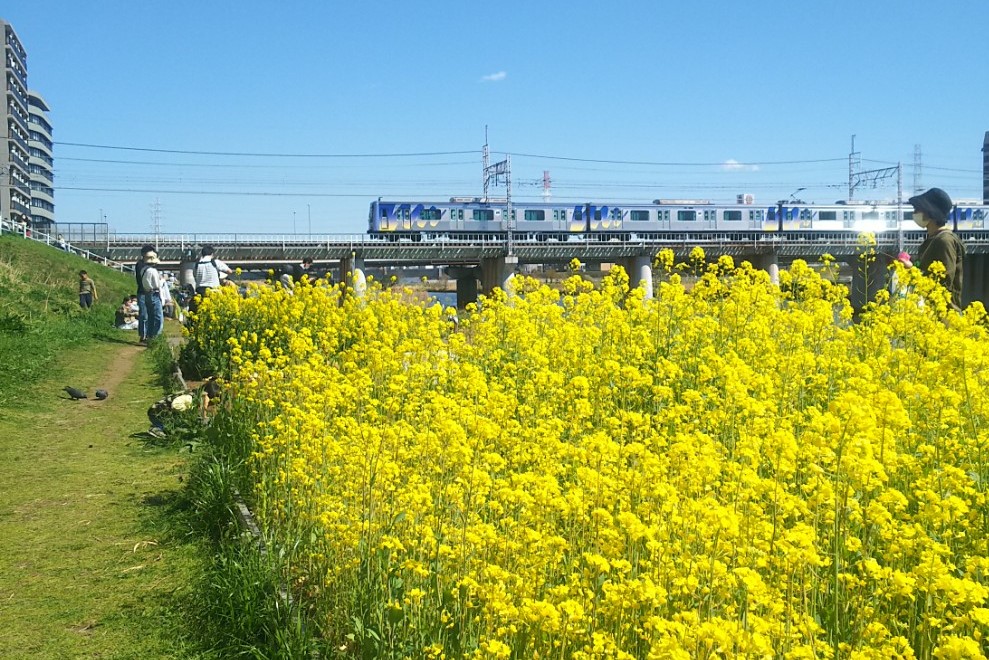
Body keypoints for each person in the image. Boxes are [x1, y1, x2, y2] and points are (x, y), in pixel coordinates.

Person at [908, 187, 964, 310]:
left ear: (931, 213)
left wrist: (911, 270)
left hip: (944, 315)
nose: (914, 213)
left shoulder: (944, 241)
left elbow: (943, 284)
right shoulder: (932, 240)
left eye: (918, 209)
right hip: (930, 312)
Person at [147, 379, 221, 438]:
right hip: (156, 412)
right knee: (170, 426)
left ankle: (163, 427)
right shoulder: (189, 398)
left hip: (161, 411)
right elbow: (175, 406)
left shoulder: (194, 396)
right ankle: (156, 428)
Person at [191, 245, 233, 312]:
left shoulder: (197, 264)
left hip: (200, 292)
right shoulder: (215, 262)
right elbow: (229, 271)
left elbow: (194, 275)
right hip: (213, 291)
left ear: (202, 254)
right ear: (212, 254)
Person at [141, 251, 166, 340]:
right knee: (159, 317)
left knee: (150, 316)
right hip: (154, 294)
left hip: (146, 294)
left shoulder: (143, 270)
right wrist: (162, 280)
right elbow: (157, 285)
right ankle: (156, 336)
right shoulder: (153, 271)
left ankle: (149, 336)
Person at [134, 244, 156, 342]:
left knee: (151, 315)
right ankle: (143, 336)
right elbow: (141, 280)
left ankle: (150, 335)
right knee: (144, 315)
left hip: (150, 293)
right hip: (142, 293)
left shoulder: (152, 264)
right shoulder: (140, 264)